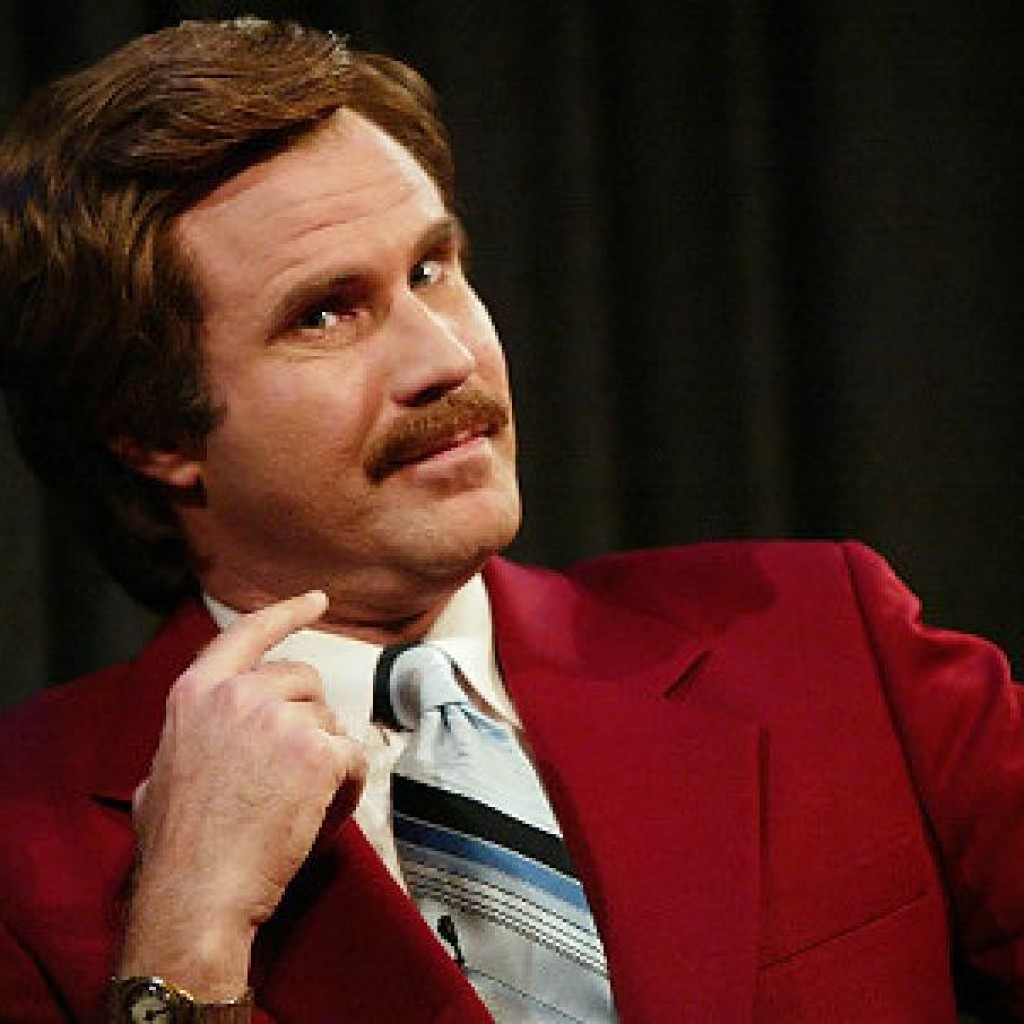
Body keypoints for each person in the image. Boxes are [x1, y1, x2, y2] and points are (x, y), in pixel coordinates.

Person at [0, 17, 1021, 1024]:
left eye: (431, 269)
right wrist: (185, 941)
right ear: (151, 430)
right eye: (324, 313)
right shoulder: (24, 846)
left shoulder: (825, 637)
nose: (446, 359)